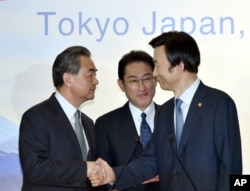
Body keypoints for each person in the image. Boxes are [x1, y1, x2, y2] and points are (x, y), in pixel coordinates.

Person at [90, 31, 242, 191]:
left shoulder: (219, 103)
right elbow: (150, 161)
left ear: (179, 66)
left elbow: (231, 168)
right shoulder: (165, 112)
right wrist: (112, 174)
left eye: (158, 65)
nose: (154, 73)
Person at [19, 46, 104, 191]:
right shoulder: (36, 117)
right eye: (90, 75)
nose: (96, 81)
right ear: (68, 79)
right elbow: (34, 169)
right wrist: (84, 169)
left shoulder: (88, 123)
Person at [95, 50, 160, 191]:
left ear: (156, 79)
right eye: (134, 81)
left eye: (147, 78)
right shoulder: (106, 125)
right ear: (121, 85)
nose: (142, 87)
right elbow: (101, 180)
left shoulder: (171, 117)